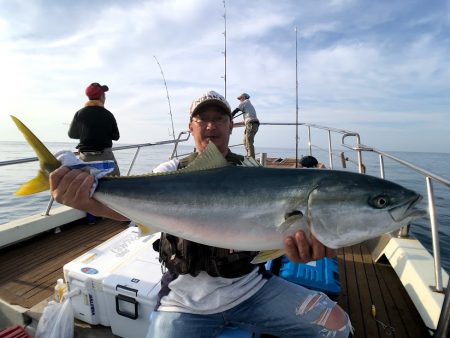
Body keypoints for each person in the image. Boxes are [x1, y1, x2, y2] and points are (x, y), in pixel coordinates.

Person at [49, 90, 351, 338]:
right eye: (201, 119)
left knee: (339, 327)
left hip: (252, 290)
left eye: (219, 118)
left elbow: (278, 235)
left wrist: (301, 247)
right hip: (183, 301)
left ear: (231, 126)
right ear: (190, 127)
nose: (211, 125)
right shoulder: (169, 173)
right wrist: (85, 200)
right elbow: (125, 212)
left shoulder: (253, 174)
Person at [68, 82, 121, 176]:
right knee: (115, 182)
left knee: (86, 185)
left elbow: (71, 134)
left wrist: (86, 134)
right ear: (101, 97)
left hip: (85, 158)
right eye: (104, 95)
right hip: (105, 156)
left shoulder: (79, 113)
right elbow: (116, 136)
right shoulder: (108, 114)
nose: (105, 97)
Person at [231, 93, 259, 159]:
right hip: (251, 124)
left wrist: (229, 117)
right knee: (245, 141)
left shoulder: (245, 102)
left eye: (240, 98)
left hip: (251, 124)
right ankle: (248, 155)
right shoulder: (248, 108)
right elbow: (245, 122)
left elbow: (235, 111)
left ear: (243, 97)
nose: (239, 100)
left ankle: (251, 158)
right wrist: (233, 125)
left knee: (249, 140)